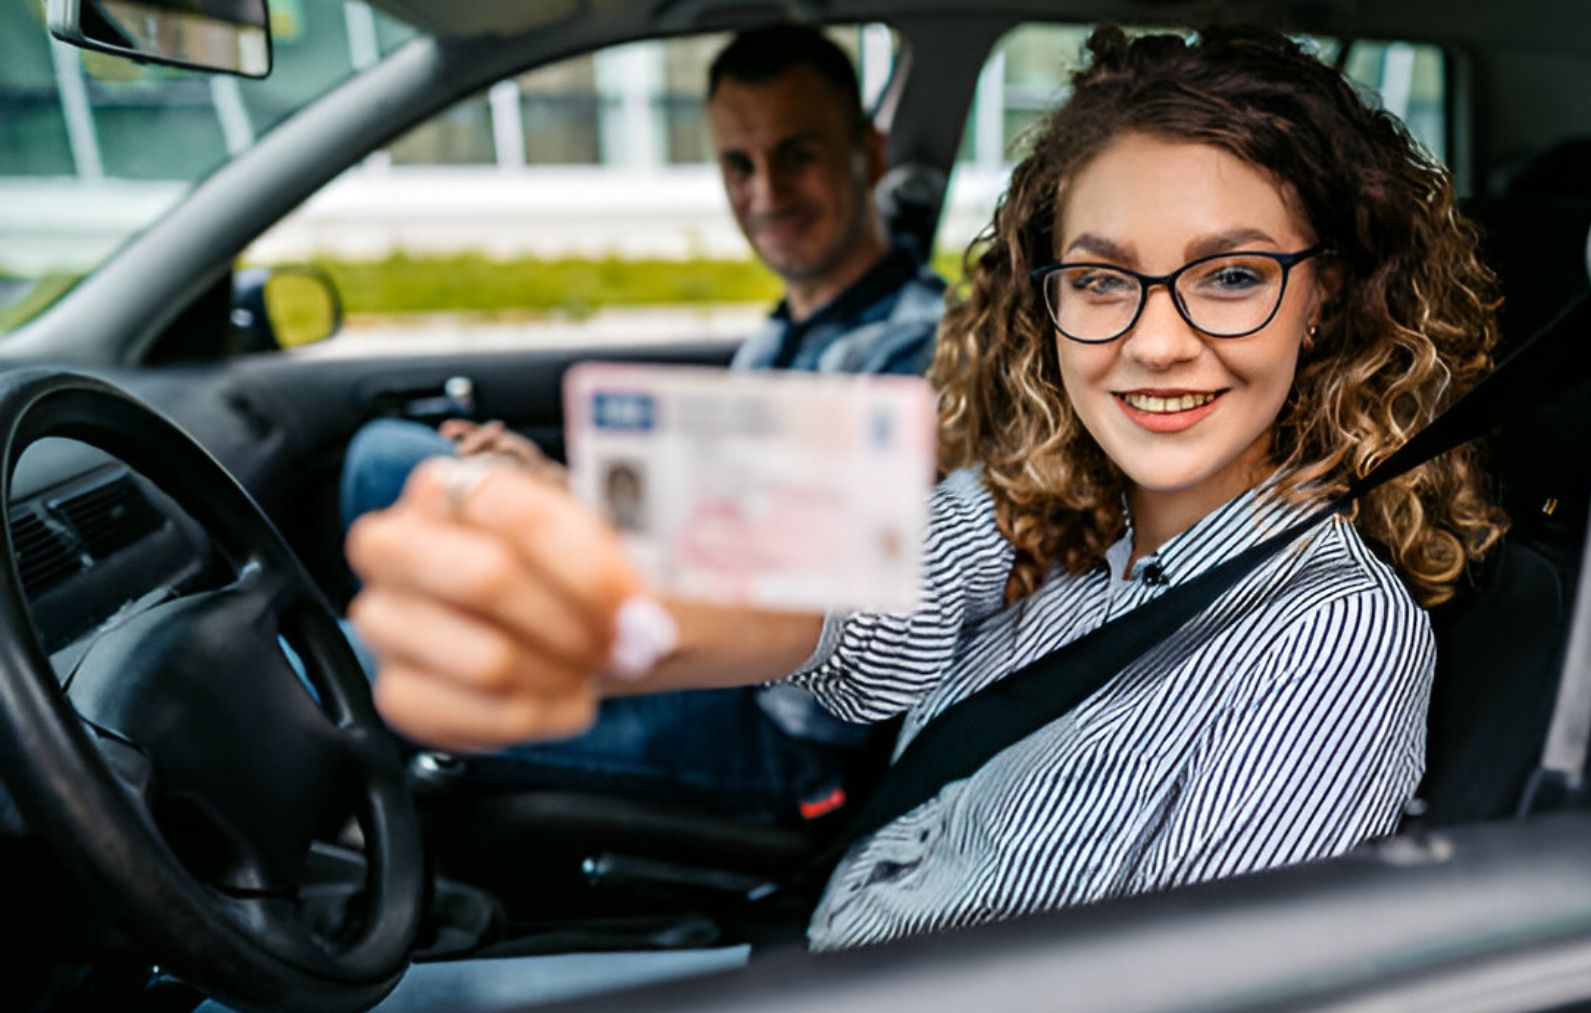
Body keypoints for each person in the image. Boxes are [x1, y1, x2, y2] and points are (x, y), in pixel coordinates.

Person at [347, 25, 1506, 954]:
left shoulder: (1334, 631)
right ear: (1044, 299)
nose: (1156, 341)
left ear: (1326, 298)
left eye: (1234, 275)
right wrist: (606, 607)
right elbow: (853, 594)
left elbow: (1189, 989)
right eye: (1102, 279)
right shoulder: (1044, 504)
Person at [337, 24, 945, 822]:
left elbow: (837, 583)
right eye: (739, 165)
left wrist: (578, 515)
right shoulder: (776, 337)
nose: (765, 194)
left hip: (781, 729)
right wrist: (563, 491)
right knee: (389, 457)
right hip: (700, 653)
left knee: (358, 668)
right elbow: (724, 523)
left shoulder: (923, 356)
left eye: (797, 155)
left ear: (866, 153)